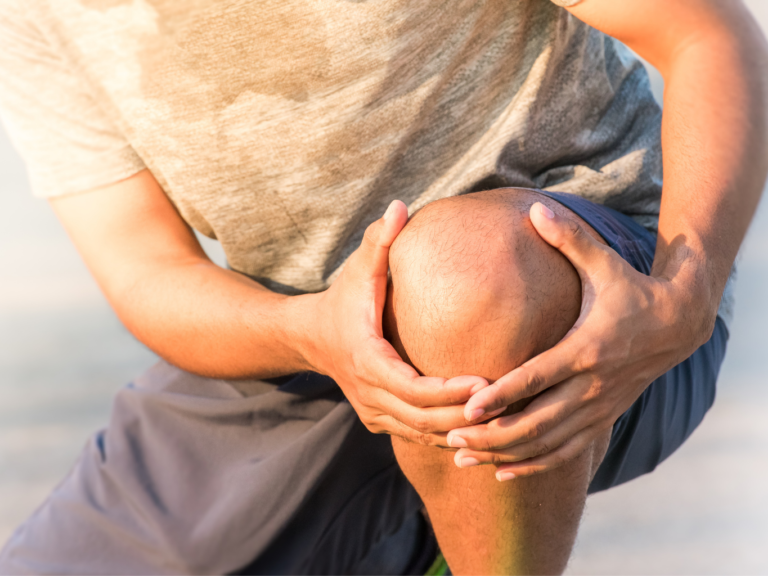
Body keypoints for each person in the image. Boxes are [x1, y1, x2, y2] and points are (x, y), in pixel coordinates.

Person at [0, 0, 765, 573]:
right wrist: (310, 333)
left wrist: (685, 289)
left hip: (599, 288)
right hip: (314, 334)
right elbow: (145, 268)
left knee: (460, 274)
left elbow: (706, 34)